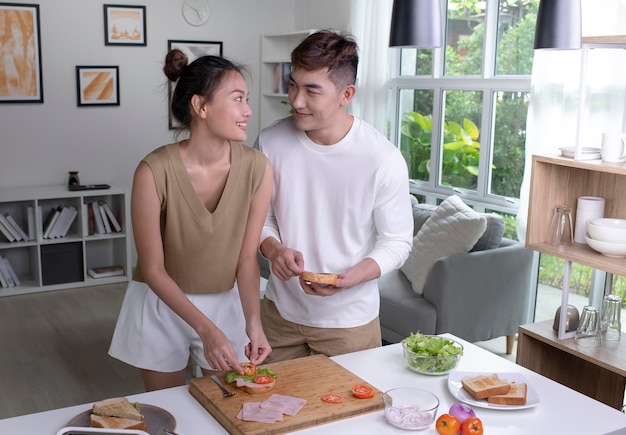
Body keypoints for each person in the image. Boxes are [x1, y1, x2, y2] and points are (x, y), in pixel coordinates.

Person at [109, 50, 273, 391]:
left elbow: (246, 259)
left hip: (227, 301)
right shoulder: (153, 170)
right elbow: (153, 269)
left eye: (247, 100)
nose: (248, 111)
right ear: (201, 106)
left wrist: (253, 323)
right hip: (161, 303)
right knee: (166, 409)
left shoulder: (258, 168)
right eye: (238, 99)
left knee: (225, 404)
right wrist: (205, 328)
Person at [255, 30, 413, 363]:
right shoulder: (270, 142)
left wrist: (352, 278)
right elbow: (260, 219)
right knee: (264, 411)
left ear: (346, 94)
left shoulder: (381, 158)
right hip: (278, 315)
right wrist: (274, 249)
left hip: (349, 325)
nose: (297, 100)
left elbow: (398, 242)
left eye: (312, 90)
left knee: (349, 415)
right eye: (293, 85)